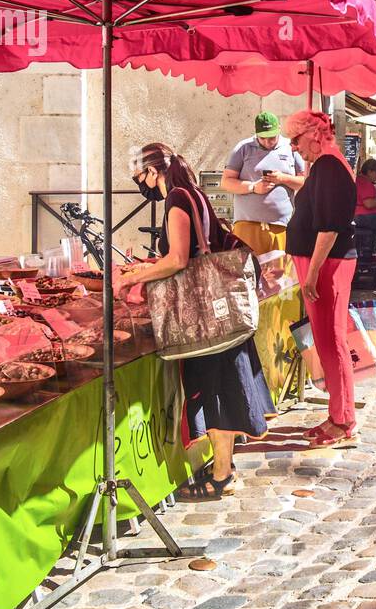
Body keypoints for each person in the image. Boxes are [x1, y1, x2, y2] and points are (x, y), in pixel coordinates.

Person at [115, 143, 274, 498]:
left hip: (205, 319)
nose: (140, 184)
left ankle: (221, 476)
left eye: (140, 176)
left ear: (153, 172)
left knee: (215, 389)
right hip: (220, 313)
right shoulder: (195, 193)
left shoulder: (175, 199)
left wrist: (132, 277)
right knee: (227, 387)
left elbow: (178, 260)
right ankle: (224, 465)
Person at [283, 111, 359, 445]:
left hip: (328, 264)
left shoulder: (328, 165)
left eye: (295, 139)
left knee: (332, 340)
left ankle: (344, 421)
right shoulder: (324, 166)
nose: (293, 146)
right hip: (323, 262)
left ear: (314, 134)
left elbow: (329, 227)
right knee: (327, 341)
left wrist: (312, 272)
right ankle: (336, 413)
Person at [221, 111, 305, 258]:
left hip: (281, 227)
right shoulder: (243, 148)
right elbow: (226, 181)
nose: (268, 142)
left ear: (279, 129)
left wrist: (282, 178)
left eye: (272, 138)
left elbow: (305, 182)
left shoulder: (291, 148)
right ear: (256, 133)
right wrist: (253, 187)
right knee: (249, 275)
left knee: (280, 278)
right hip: (247, 225)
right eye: (263, 138)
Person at [354, 157, 376, 282]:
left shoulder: (359, 181)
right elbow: (369, 204)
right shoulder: (365, 183)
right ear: (369, 171)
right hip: (364, 217)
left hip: (361, 216)